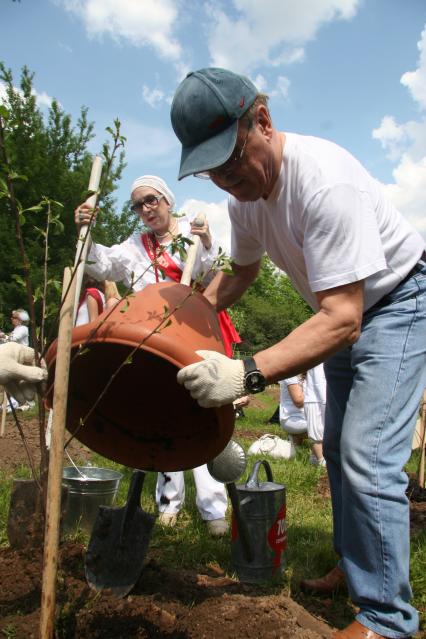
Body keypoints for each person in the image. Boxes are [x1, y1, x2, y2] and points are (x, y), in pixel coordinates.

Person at [171, 67, 426, 638]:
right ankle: (360, 564)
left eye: (233, 163)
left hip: (397, 301)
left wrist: (245, 374)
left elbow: (342, 317)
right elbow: (242, 273)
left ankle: (388, 620)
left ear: (263, 121)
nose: (228, 182)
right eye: (213, 172)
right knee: (335, 448)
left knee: (367, 455)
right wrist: (183, 319)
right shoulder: (247, 198)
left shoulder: (323, 181)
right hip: (341, 310)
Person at [74, 175, 237, 537]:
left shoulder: (190, 235)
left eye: (151, 200)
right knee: (166, 414)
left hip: (195, 333)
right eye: (138, 204)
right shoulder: (136, 245)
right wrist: (85, 233)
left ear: (166, 199)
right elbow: (105, 265)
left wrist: (207, 240)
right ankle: (169, 504)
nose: (146, 209)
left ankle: (213, 509)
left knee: (203, 413)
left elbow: (217, 272)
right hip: (156, 340)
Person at [304, 364, 326, 467]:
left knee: (322, 432)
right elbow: (319, 382)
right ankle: (321, 461)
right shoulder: (318, 362)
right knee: (317, 434)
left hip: (321, 399)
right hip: (315, 400)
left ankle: (315, 458)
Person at [278, 374, 307, 449]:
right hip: (292, 418)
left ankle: (295, 443)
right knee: (326, 428)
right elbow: (299, 401)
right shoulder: (292, 375)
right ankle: (317, 456)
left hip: (303, 417)